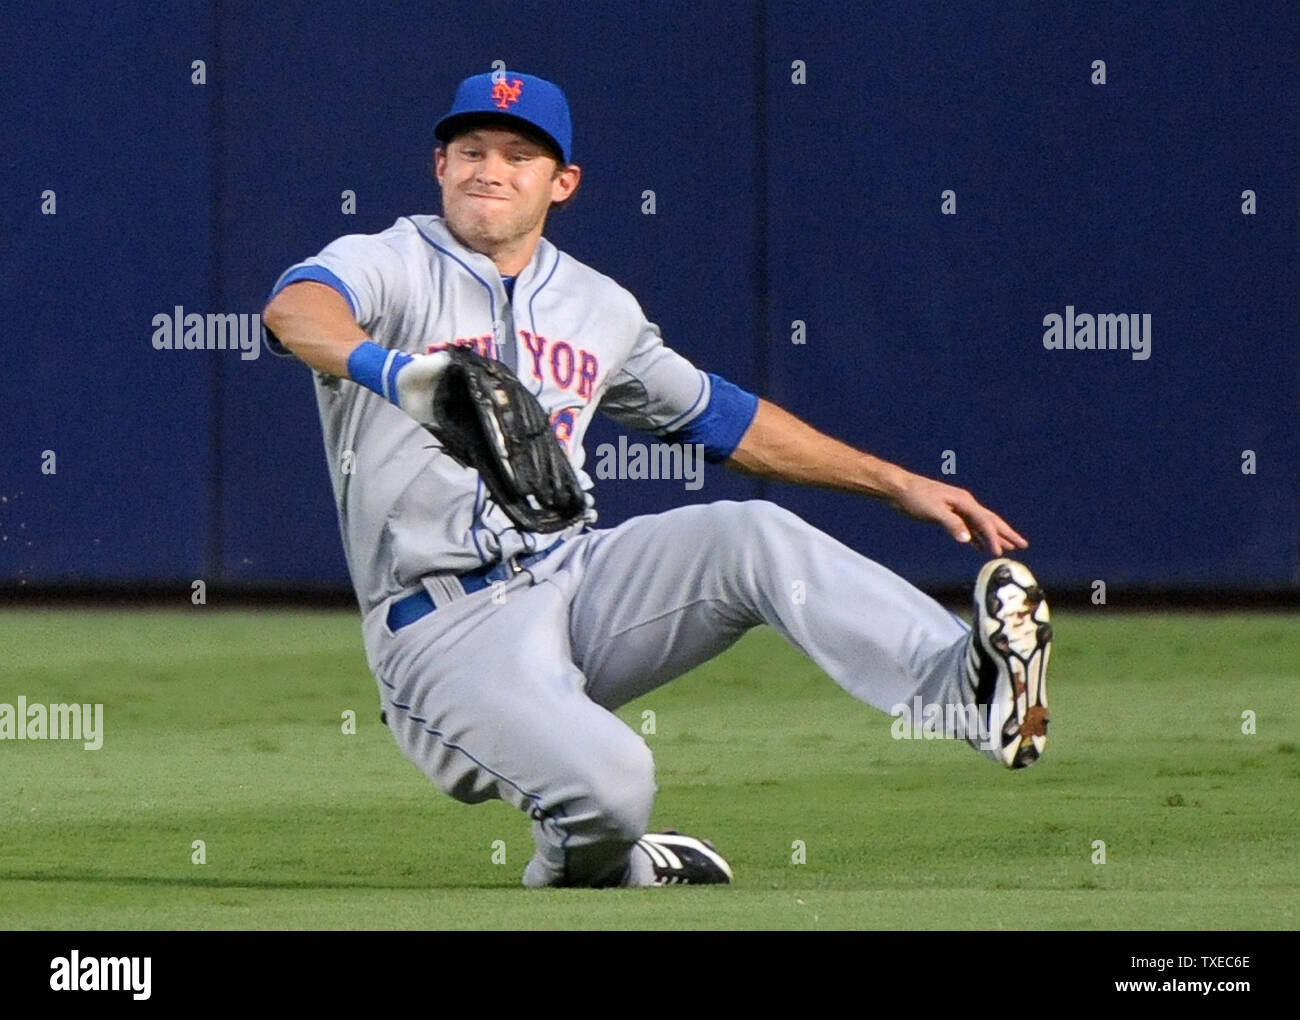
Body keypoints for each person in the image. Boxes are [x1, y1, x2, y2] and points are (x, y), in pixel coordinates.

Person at [261, 70, 1053, 888]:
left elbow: (722, 420)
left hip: (577, 579)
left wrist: (895, 483)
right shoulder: (387, 260)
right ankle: (607, 862)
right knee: (613, 788)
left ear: (561, 183)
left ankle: (967, 692)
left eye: (517, 155)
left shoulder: (599, 305)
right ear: (440, 167)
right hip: (443, 628)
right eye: (469, 150)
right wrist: (393, 372)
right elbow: (295, 312)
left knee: (750, 533)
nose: (488, 169)